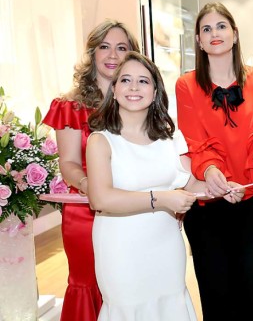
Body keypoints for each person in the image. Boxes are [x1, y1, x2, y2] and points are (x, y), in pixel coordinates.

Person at [175, 2, 253, 321]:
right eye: (206, 29)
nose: (215, 33)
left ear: (235, 34)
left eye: (221, 26)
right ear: (198, 40)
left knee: (250, 293)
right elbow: (194, 142)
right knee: (215, 296)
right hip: (208, 203)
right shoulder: (186, 85)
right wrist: (212, 173)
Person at [86, 51, 212, 320]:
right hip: (120, 248)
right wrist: (161, 199)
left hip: (166, 246)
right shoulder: (101, 141)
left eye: (143, 81)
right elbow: (101, 199)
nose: (134, 87)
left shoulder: (170, 137)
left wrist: (220, 188)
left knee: (170, 306)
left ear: (155, 92)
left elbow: (190, 183)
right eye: (126, 80)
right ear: (114, 89)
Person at [43, 19, 140, 321]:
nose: (112, 55)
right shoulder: (70, 106)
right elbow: (69, 164)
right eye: (104, 47)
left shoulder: (139, 102)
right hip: (85, 212)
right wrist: (91, 186)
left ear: (132, 55)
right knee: (88, 284)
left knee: (130, 285)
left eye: (121, 48)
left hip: (133, 210)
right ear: (92, 53)